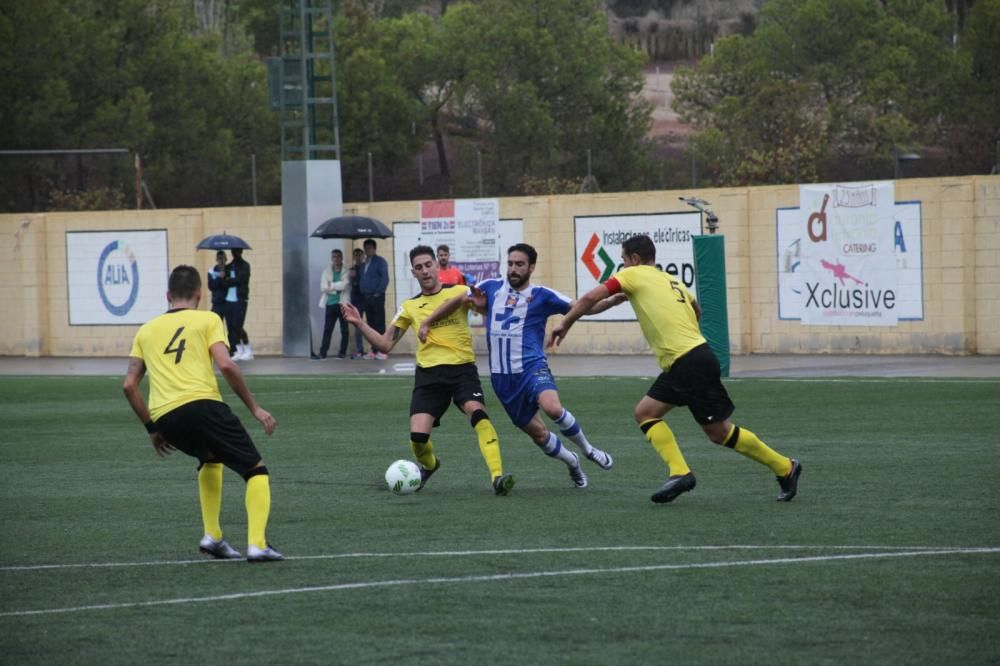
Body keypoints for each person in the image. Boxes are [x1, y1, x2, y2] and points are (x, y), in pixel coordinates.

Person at [548, 234, 802, 504]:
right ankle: (680, 472)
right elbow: (697, 309)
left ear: (634, 259)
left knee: (719, 432)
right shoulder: (671, 280)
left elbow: (589, 296)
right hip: (690, 359)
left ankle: (785, 467)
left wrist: (566, 323)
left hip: (688, 361)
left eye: (623, 260)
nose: (622, 266)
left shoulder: (633, 275)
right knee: (645, 413)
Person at [419, 243, 618, 489]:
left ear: (531, 267)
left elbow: (586, 307)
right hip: (503, 380)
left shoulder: (544, 295)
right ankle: (572, 462)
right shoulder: (490, 288)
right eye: (510, 263)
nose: (513, 269)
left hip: (532, 367)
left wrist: (616, 298)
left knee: (553, 409)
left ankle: (588, 450)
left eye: (519, 264)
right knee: (540, 435)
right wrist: (428, 321)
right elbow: (459, 299)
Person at [122, 265, 282, 561]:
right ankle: (258, 543)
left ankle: (213, 537)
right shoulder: (208, 319)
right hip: (203, 405)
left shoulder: (145, 330)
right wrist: (255, 408)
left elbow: (130, 385)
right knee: (256, 470)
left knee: (210, 458)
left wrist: (152, 429)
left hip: (165, 417)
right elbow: (226, 365)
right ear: (200, 293)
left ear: (168, 295)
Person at [342, 245, 516, 496]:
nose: (425, 271)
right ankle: (430, 466)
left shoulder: (459, 292)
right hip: (429, 377)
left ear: (436, 265)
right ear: (413, 272)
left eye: (428, 265)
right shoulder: (410, 307)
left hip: (462, 371)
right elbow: (384, 343)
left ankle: (497, 477)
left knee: (478, 414)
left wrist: (482, 306)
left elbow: (484, 308)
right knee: (418, 439)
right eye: (419, 267)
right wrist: (359, 323)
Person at [315, 248, 350, 360]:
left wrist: (332, 285)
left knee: (344, 329)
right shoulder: (326, 271)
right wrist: (336, 288)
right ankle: (323, 353)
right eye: (334, 256)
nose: (336, 259)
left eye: (338, 256)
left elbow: (345, 285)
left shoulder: (346, 270)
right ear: (331, 258)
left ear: (342, 258)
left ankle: (342, 352)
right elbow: (323, 287)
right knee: (327, 329)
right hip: (330, 304)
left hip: (343, 304)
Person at [358, 238, 389, 360]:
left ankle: (383, 350)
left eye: (370, 248)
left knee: (379, 323)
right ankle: (373, 349)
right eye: (366, 248)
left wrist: (378, 292)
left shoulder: (380, 261)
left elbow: (385, 278)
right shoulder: (364, 263)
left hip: (377, 296)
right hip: (366, 297)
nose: (367, 250)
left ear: (374, 249)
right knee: (370, 324)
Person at [227, 248, 253, 361]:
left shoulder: (245, 266)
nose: (234, 254)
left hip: (240, 299)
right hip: (229, 300)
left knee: (238, 325)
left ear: (240, 252)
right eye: (233, 252)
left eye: (236, 252)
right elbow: (223, 281)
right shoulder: (229, 266)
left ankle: (248, 349)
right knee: (231, 326)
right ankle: (238, 350)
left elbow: (240, 280)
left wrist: (229, 279)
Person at [348, 247, 367, 359]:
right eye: (355, 255)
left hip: (366, 298)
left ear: (363, 256)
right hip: (356, 300)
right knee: (358, 326)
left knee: (371, 324)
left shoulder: (366, 268)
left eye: (360, 255)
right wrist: (351, 278)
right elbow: (350, 285)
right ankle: (359, 350)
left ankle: (375, 350)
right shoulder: (352, 269)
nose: (358, 257)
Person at [206, 250, 229, 324]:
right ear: (216, 259)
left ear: (226, 259)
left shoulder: (229, 270)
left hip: (228, 302)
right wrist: (219, 277)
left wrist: (225, 277)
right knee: (216, 325)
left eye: (222, 258)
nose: (221, 260)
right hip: (217, 303)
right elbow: (211, 286)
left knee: (232, 326)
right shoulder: (212, 271)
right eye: (219, 258)